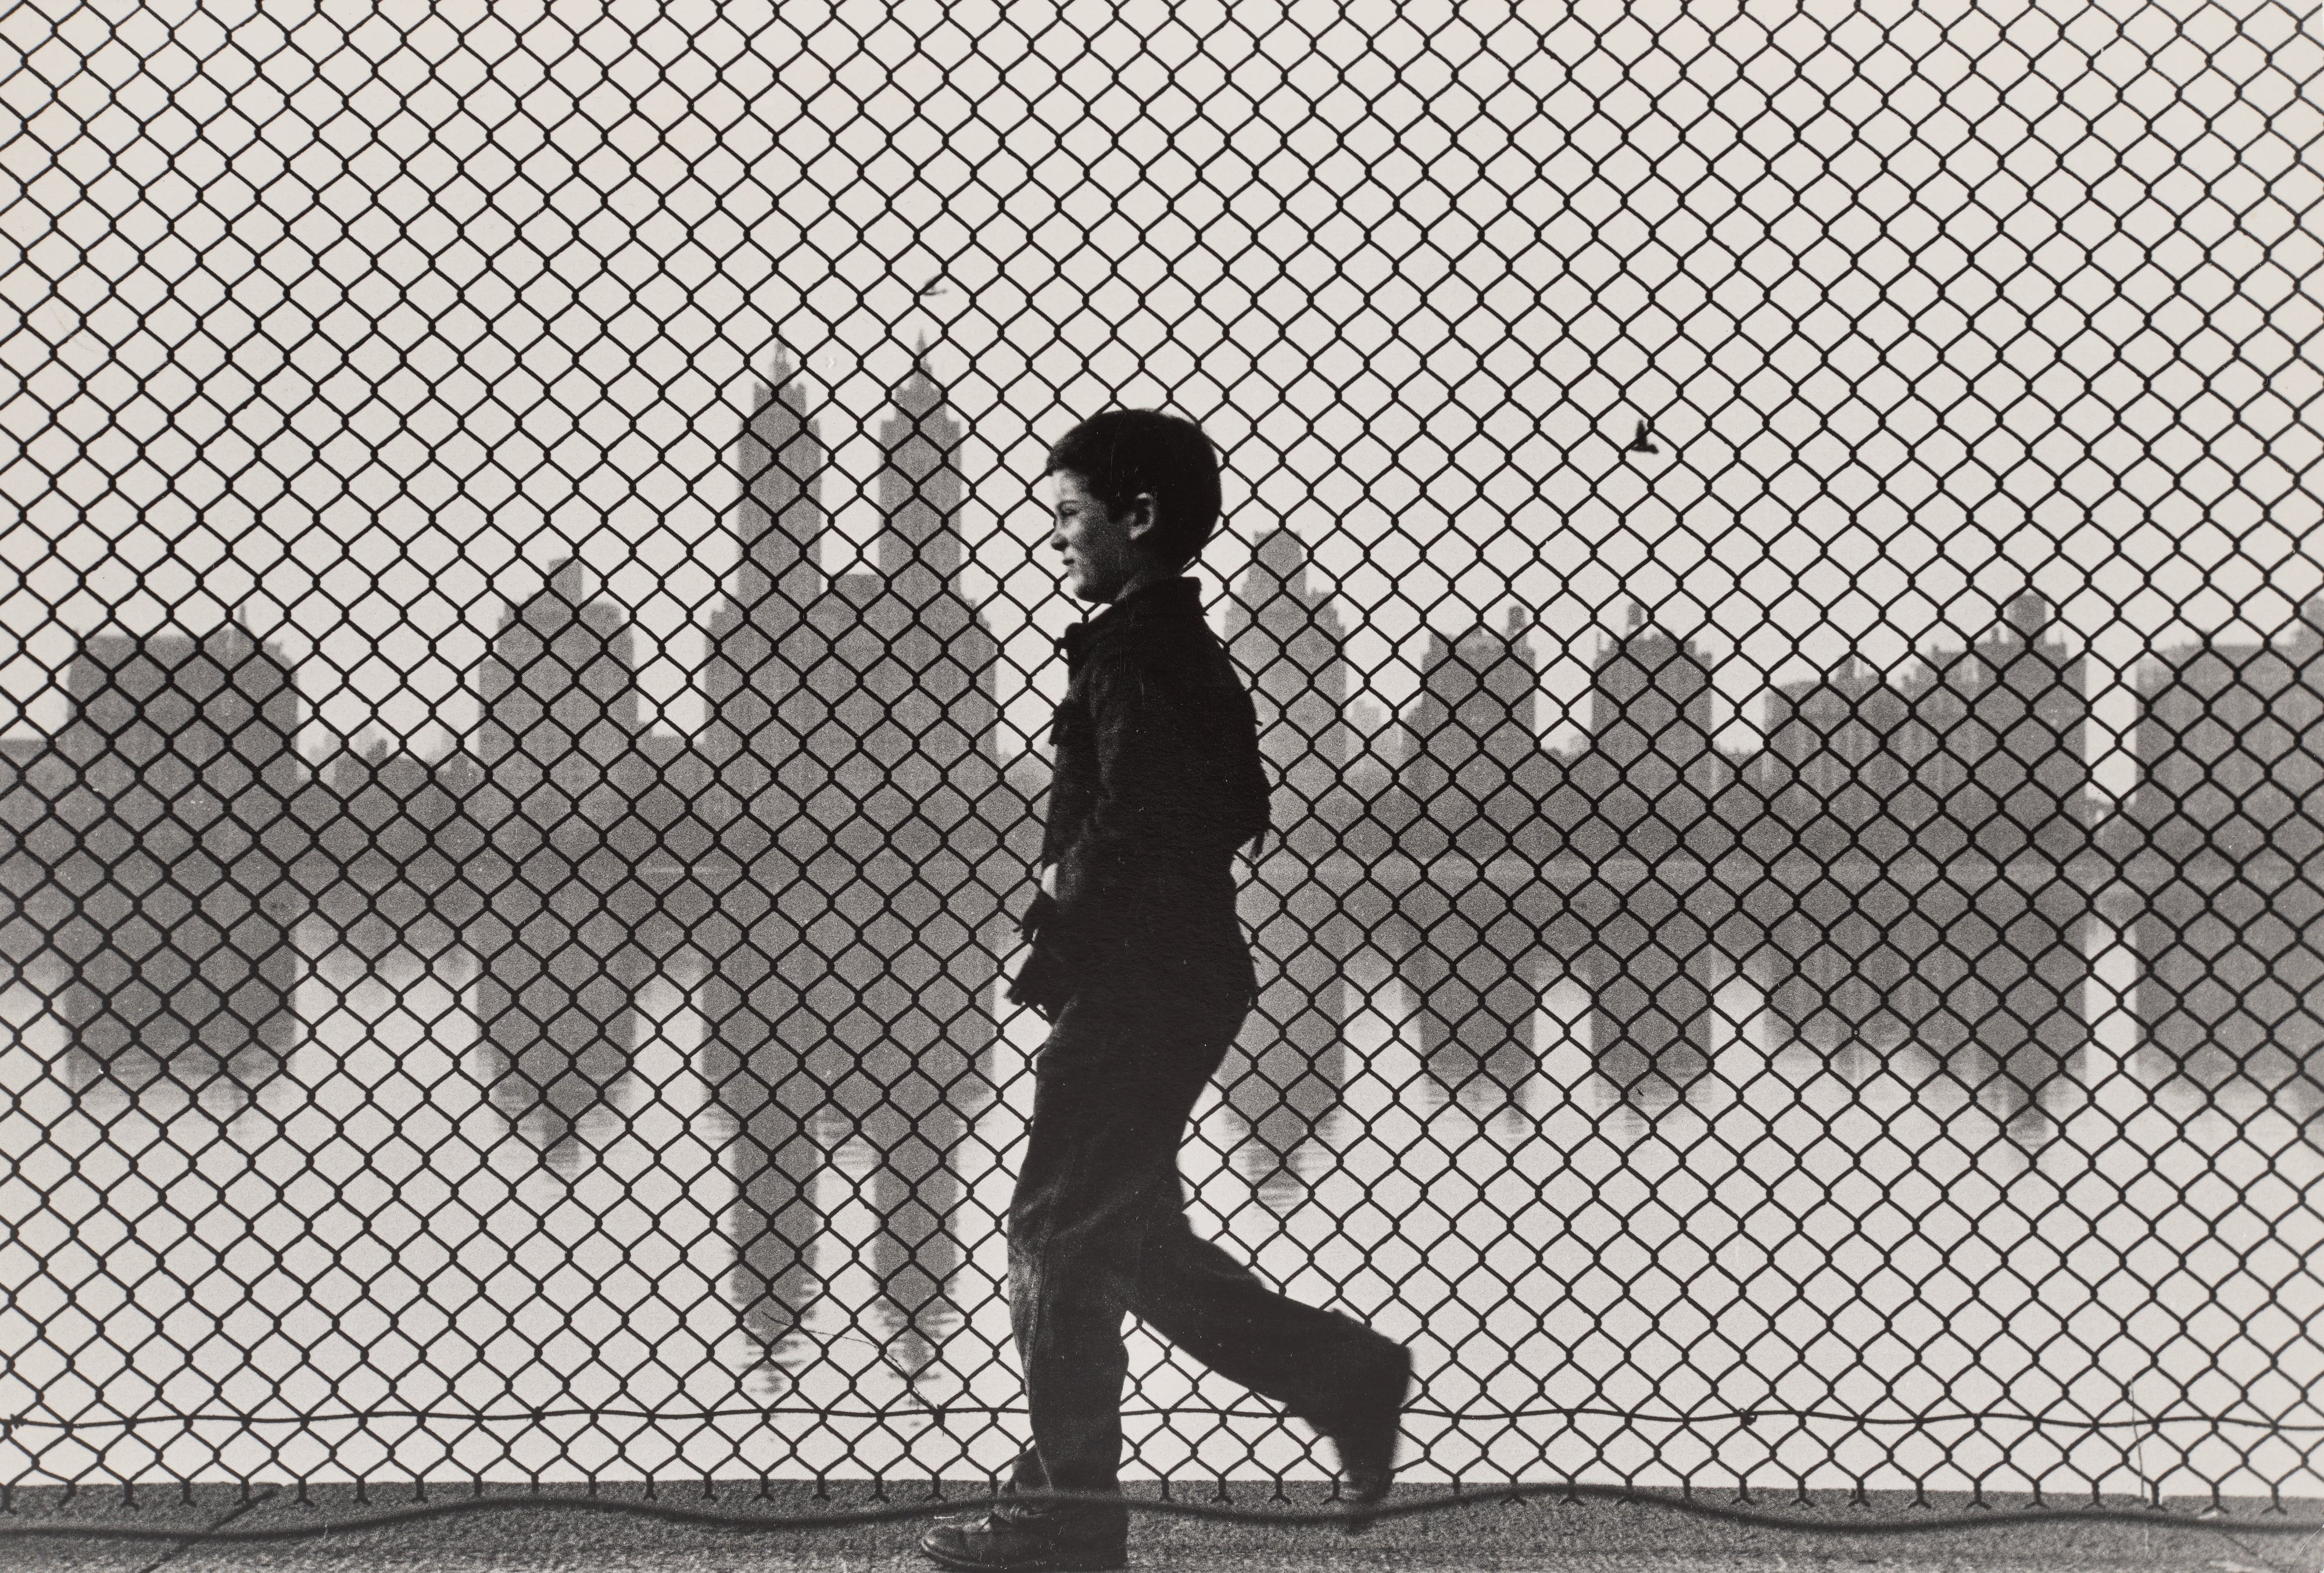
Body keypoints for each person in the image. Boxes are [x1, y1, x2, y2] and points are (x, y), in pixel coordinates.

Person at [919, 411, 1413, 1572]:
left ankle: (1067, 1509)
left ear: (1136, 519)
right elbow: (1231, 803)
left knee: (1055, 1226)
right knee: (1123, 1233)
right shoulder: (1171, 647)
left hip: (1138, 981)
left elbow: (1130, 817)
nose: (1055, 538)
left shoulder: (1138, 652)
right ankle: (1341, 1375)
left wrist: (1063, 927)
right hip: (1181, 973)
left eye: (1069, 517)